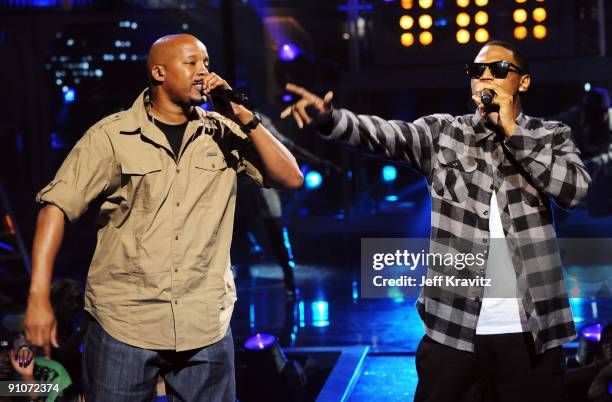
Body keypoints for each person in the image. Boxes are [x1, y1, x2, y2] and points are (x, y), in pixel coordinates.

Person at [282, 41, 591, 401]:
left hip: (531, 333)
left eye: (498, 70)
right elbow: (384, 134)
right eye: (476, 72)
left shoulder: (550, 136)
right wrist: (330, 119)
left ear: (523, 82)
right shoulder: (443, 134)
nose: (484, 78)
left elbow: (574, 191)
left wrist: (514, 133)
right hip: (453, 329)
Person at [24, 33, 303, 402]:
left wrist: (243, 116)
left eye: (206, 62)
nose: (203, 71)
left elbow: (291, 178)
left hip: (204, 323)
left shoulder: (222, 132)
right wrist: (38, 297)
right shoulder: (112, 136)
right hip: (125, 323)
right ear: (159, 72)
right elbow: (55, 208)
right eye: (191, 63)